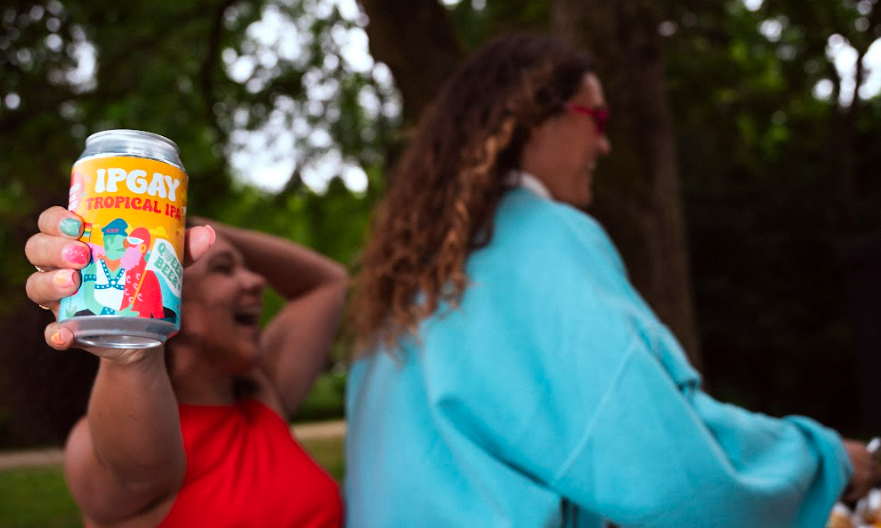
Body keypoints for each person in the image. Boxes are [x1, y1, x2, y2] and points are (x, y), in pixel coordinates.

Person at [344, 33, 881, 528]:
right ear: (533, 118)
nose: (604, 146)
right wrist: (823, 459)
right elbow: (663, 457)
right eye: (595, 121)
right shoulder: (546, 237)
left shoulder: (412, 278)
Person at [25, 206, 348, 528]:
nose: (257, 280)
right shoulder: (105, 440)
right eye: (224, 268)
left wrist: (180, 219)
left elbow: (329, 282)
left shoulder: (261, 395)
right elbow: (138, 469)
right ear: (172, 295)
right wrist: (132, 345)